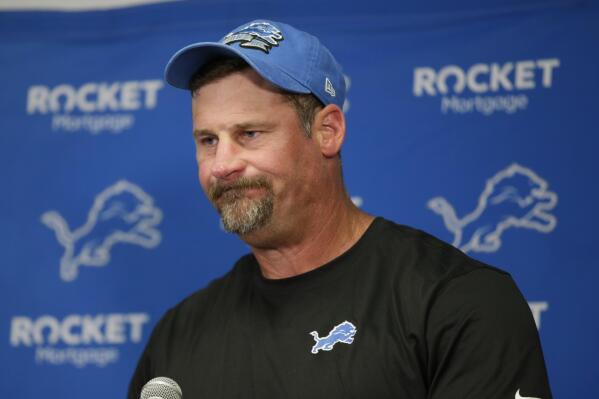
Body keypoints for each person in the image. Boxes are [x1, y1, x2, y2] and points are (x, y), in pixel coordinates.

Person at [128, 19, 552, 399]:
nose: (222, 165)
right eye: (208, 140)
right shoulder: (178, 335)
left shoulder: (457, 303)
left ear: (328, 131)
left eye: (250, 133)